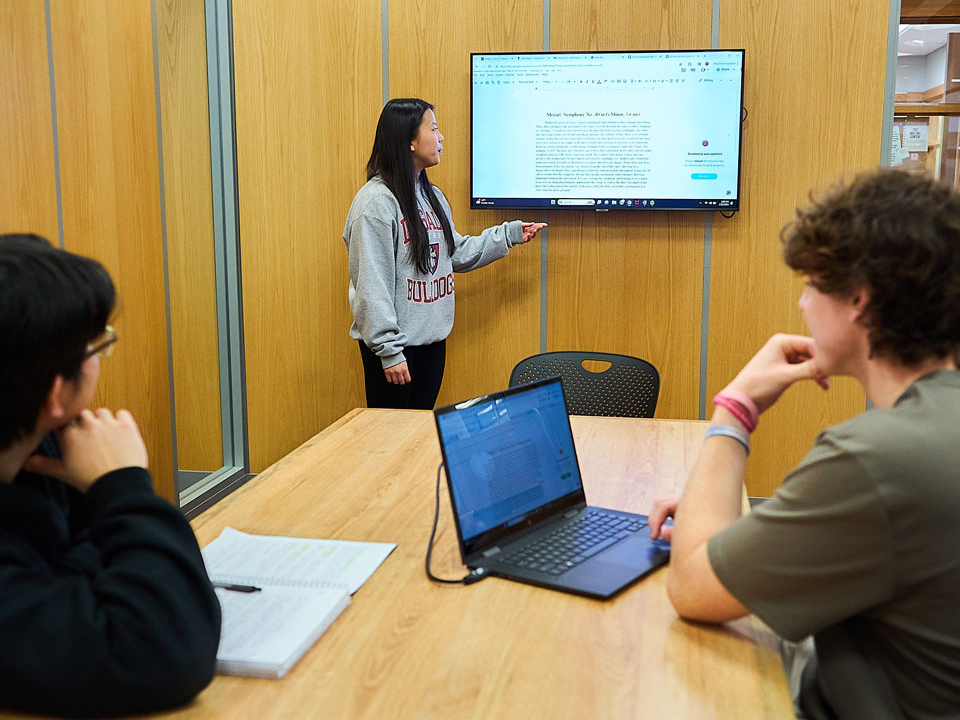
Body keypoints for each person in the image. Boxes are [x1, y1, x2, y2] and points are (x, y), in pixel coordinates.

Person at [648, 169, 960, 719]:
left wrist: (737, 403)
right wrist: (763, 529)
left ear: (858, 300)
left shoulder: (876, 458)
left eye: (814, 284)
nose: (801, 305)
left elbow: (692, 588)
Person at [0, 234, 220, 716]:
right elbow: (162, 648)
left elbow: (92, 574)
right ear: (56, 393)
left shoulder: (43, 446)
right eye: (96, 346)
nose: (100, 359)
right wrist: (122, 486)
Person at [344, 98, 546, 409]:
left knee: (420, 433)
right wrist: (389, 352)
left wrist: (509, 234)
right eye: (434, 129)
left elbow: (456, 252)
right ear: (410, 141)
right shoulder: (374, 204)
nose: (441, 138)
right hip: (396, 351)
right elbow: (372, 286)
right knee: (394, 443)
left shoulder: (431, 195)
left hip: (431, 345)